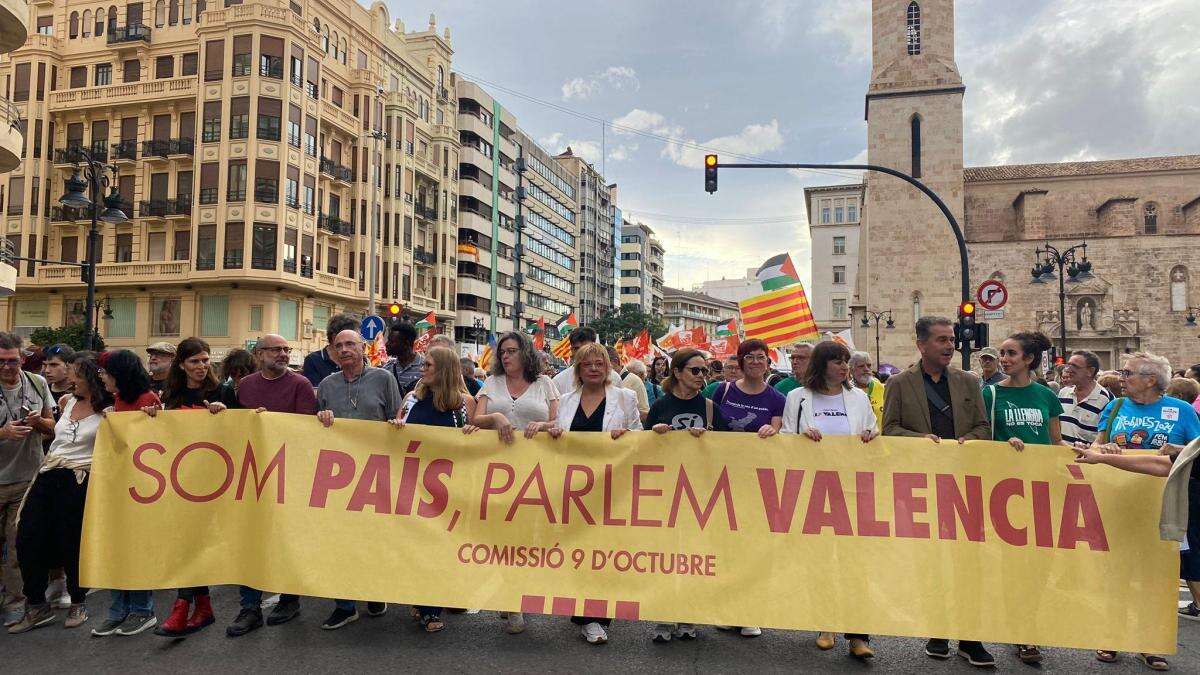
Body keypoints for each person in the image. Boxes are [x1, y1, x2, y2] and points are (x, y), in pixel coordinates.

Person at [880, 317, 993, 667]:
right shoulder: (899, 383)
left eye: (952, 339)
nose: (950, 346)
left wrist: (966, 441)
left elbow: (983, 428)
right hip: (921, 489)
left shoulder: (968, 381)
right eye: (942, 339)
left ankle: (971, 638)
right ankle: (938, 633)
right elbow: (890, 431)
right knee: (933, 564)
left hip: (964, 486)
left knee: (967, 565)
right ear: (921, 345)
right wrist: (921, 442)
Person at [1081, 352, 1200, 672]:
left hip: (1163, 505)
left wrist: (1176, 451)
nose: (1122, 377)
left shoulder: (1183, 411)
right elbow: (1096, 447)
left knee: (1156, 576)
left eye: (1129, 372)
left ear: (1151, 380)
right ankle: (1111, 636)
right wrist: (1103, 449)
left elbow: (1193, 453)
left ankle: (1151, 642)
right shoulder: (1115, 406)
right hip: (1117, 502)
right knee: (1115, 573)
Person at [780, 340, 879, 659]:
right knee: (822, 559)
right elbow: (785, 439)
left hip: (853, 490)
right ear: (821, 364)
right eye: (837, 361)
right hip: (814, 489)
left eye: (846, 361)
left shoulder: (859, 397)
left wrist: (871, 436)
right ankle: (826, 623)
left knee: (856, 562)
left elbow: (873, 432)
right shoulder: (797, 398)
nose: (843, 366)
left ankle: (859, 636)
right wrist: (801, 438)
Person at [7, 352, 111, 634]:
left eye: (75, 373)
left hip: (79, 478)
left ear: (89, 377)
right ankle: (36, 604)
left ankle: (79, 600)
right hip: (48, 473)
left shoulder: (110, 409)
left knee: (71, 540)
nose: (70, 378)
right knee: (28, 535)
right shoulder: (66, 402)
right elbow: (58, 433)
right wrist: (40, 424)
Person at [224, 334, 319, 637]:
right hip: (252, 475)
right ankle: (249, 607)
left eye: (286, 350)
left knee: (286, 539)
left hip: (289, 476)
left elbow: (304, 431)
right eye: (277, 350)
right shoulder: (247, 385)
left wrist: (273, 422)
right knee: (250, 540)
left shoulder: (300, 385)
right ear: (260, 354)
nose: (283, 354)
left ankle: (289, 600)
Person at [546, 343, 640, 645]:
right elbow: (557, 438)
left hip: (611, 487)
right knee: (579, 552)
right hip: (574, 489)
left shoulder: (625, 398)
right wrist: (553, 432)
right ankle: (583, 609)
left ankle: (595, 617)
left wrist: (626, 437)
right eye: (588, 365)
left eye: (600, 363)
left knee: (604, 553)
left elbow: (640, 437)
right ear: (578, 370)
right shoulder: (566, 400)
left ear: (609, 367)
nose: (595, 369)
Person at [145, 337, 239, 637]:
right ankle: (203, 607)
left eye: (205, 360)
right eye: (195, 361)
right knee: (186, 544)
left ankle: (182, 608)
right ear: (182, 365)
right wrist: (152, 417)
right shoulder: (171, 393)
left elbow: (244, 429)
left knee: (191, 544)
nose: (201, 366)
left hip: (211, 482)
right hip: (178, 481)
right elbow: (164, 433)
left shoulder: (222, 391)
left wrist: (225, 413)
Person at [981, 332, 1063, 664]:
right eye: (1001, 353)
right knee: (1012, 564)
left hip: (1041, 490)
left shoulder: (1046, 396)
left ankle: (1030, 626)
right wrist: (1004, 446)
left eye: (1011, 353)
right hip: (1005, 491)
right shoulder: (991, 394)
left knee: (1038, 565)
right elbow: (980, 440)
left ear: (1028, 359)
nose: (1004, 358)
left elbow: (1055, 443)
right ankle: (1020, 630)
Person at [472, 330, 560, 634]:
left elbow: (558, 422)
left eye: (511, 350)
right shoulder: (492, 382)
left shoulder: (545, 383)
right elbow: (475, 418)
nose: (506, 356)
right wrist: (496, 419)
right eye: (502, 351)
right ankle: (510, 594)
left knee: (525, 536)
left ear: (525, 353)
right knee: (500, 536)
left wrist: (545, 425)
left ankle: (516, 596)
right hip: (495, 471)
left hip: (534, 471)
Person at [315, 330, 400, 630]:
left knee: (374, 539)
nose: (344, 350)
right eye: (338, 346)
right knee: (341, 541)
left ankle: (375, 590)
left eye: (350, 344)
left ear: (363, 348)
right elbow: (314, 431)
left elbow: (397, 419)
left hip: (377, 474)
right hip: (338, 478)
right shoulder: (326, 385)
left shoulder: (383, 379)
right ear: (332, 352)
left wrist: (397, 423)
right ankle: (345, 605)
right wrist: (321, 420)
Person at [392, 346, 479, 633]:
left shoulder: (465, 404)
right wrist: (395, 426)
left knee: (441, 547)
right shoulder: (411, 399)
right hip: (413, 484)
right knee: (417, 545)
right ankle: (422, 599)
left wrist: (472, 433)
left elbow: (475, 444)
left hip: (448, 489)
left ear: (443, 369)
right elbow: (396, 431)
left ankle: (431, 606)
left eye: (428, 365)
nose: (423, 369)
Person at [644, 347, 728, 643]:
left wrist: (710, 439)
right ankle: (664, 619)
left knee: (694, 558)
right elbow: (637, 451)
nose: (701, 376)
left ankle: (689, 617)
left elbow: (732, 449)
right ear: (677, 372)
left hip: (701, 495)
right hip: (665, 494)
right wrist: (654, 435)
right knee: (665, 560)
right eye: (695, 370)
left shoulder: (710, 408)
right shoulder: (660, 407)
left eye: (705, 371)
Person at [710, 338, 782, 639]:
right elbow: (709, 424)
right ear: (740, 362)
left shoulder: (777, 398)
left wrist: (773, 430)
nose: (755, 361)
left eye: (761, 357)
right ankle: (727, 608)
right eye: (749, 357)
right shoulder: (723, 390)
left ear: (768, 362)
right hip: (722, 478)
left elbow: (780, 428)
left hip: (757, 481)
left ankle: (750, 610)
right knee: (726, 547)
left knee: (753, 547)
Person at [89, 349, 161, 637]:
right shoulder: (118, 400)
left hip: (141, 489)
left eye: (105, 372)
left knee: (136, 549)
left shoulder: (147, 400)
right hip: (118, 485)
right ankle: (118, 611)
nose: (102, 378)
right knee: (116, 550)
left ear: (119, 374)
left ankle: (142, 610)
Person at [0, 333, 54, 629]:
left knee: (18, 545)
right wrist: (4, 433)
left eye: (13, 360)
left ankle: (16, 602)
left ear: (22, 358)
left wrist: (38, 422)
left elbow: (52, 429)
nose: (9, 367)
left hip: (27, 478)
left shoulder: (37, 383)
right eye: (2, 362)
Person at [1058, 350, 1114, 446]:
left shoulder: (1106, 400)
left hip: (1088, 459)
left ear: (1090, 371)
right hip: (1061, 457)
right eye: (1068, 365)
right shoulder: (1063, 393)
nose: (1068, 370)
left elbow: (1106, 437)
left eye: (1074, 366)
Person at [552, 327, 620, 395]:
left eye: (586, 348)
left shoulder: (613, 377)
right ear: (572, 350)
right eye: (577, 349)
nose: (582, 353)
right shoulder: (559, 381)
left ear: (594, 347)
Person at [302, 313, 358, 388]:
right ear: (335, 337)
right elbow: (316, 393)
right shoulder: (313, 360)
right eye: (351, 339)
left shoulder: (357, 359)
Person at [383, 322, 425, 397]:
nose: (387, 344)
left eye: (392, 341)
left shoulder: (425, 368)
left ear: (406, 343)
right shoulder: (387, 368)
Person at [849, 351, 885, 424]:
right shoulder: (847, 390)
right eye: (861, 366)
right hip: (857, 435)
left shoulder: (882, 388)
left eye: (869, 366)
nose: (866, 369)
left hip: (880, 434)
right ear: (851, 370)